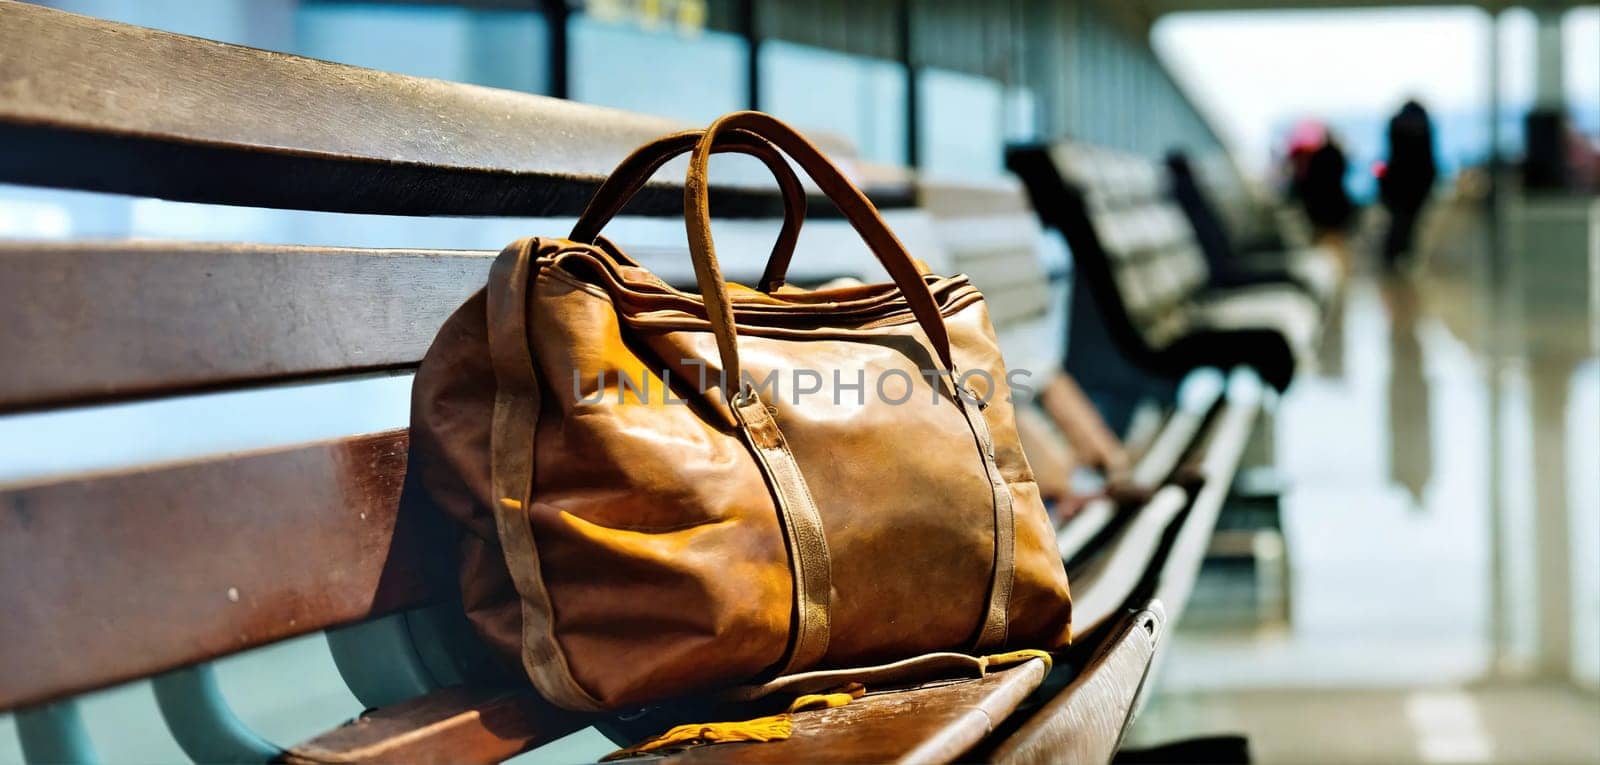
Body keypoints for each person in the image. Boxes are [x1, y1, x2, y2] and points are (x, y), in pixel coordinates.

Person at [1378, 100, 1437, 270]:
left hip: (1397, 182)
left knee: (1397, 223)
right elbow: (1429, 158)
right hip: (1418, 183)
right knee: (1410, 224)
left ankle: (1393, 260)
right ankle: (1405, 258)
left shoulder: (1395, 124)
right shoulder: (1424, 126)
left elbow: (1389, 156)